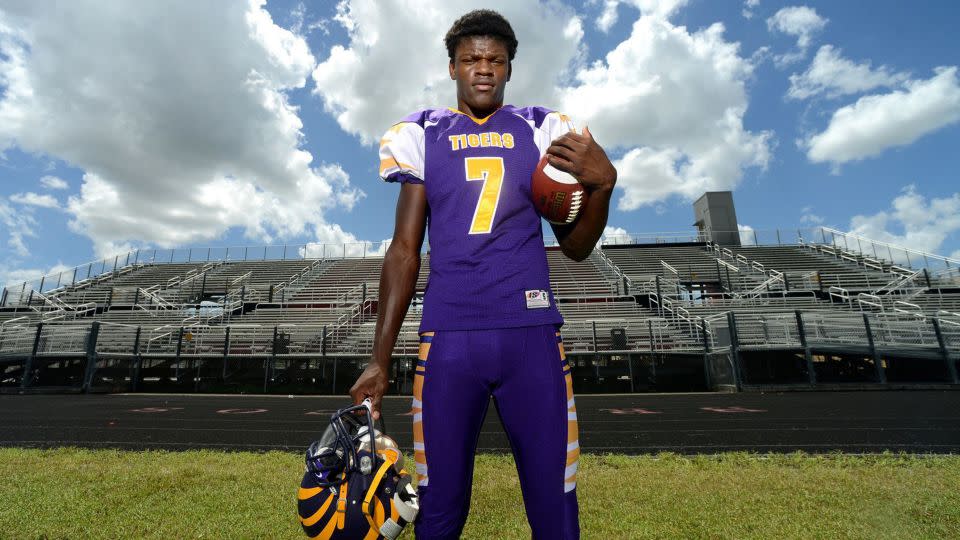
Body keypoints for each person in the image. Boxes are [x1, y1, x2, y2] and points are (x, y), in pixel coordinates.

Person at [350, 9, 617, 539]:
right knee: (439, 511)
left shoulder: (541, 130)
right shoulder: (424, 132)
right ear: (452, 68)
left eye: (495, 60)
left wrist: (603, 186)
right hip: (449, 340)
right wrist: (378, 360)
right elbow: (405, 250)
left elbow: (578, 247)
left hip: (532, 335)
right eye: (471, 59)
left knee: (555, 509)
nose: (484, 69)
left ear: (510, 69)